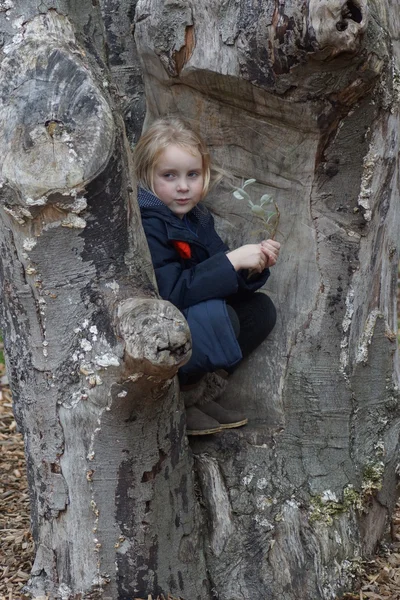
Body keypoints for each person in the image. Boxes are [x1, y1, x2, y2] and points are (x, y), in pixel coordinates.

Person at [134, 117, 280, 435]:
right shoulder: (150, 223)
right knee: (220, 316)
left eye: (192, 175)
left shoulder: (197, 217)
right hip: (161, 329)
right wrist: (231, 261)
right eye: (169, 176)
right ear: (147, 177)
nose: (183, 186)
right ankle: (179, 399)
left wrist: (250, 268)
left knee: (259, 310)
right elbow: (170, 291)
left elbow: (217, 272)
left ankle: (200, 393)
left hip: (191, 315)